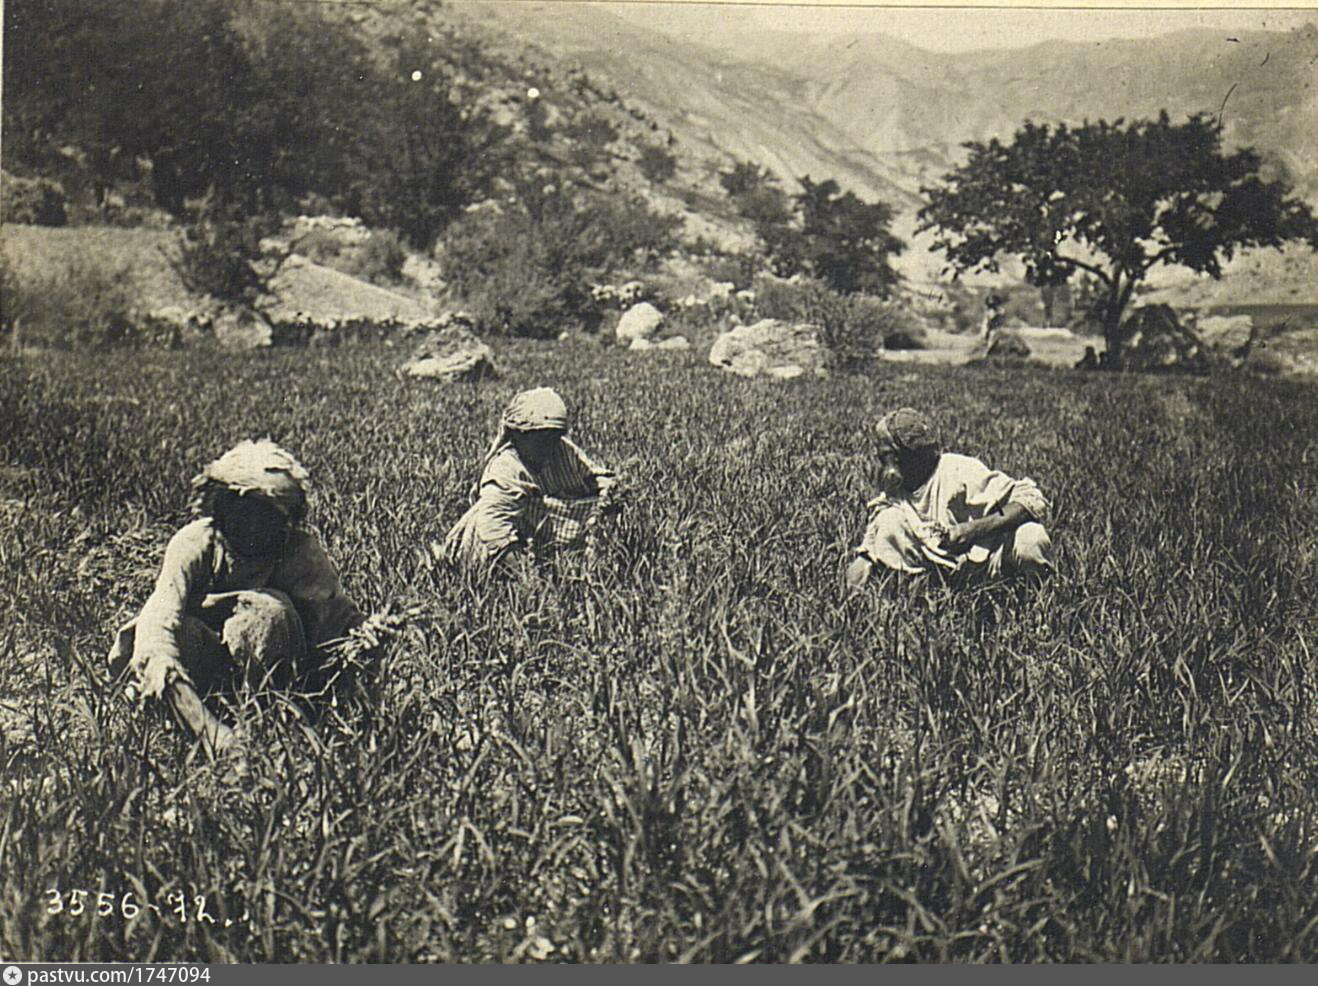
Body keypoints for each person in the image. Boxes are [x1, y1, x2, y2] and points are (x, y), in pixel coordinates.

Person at [107, 440, 363, 759]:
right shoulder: (195, 544)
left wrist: (370, 640)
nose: (254, 526)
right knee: (179, 633)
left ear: (284, 520)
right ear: (222, 508)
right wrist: (212, 732)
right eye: (244, 512)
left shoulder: (298, 553)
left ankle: (267, 718)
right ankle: (184, 717)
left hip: (270, 672)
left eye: (266, 516)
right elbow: (158, 627)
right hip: (199, 672)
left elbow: (339, 621)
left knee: (268, 611)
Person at [846, 408, 1053, 591]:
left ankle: (1031, 601)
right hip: (935, 573)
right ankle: (917, 600)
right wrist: (849, 600)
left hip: (984, 563)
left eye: (886, 455)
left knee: (1030, 536)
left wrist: (973, 530)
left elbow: (1030, 497)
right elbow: (867, 555)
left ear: (906, 456)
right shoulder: (896, 487)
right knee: (889, 520)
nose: (882, 462)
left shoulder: (958, 470)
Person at [443, 387, 620, 570]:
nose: (550, 444)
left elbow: (595, 476)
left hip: (545, 540)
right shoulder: (507, 467)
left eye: (555, 436)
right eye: (542, 438)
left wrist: (606, 495)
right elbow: (493, 529)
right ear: (519, 434)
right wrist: (527, 576)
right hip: (501, 549)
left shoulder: (560, 449)